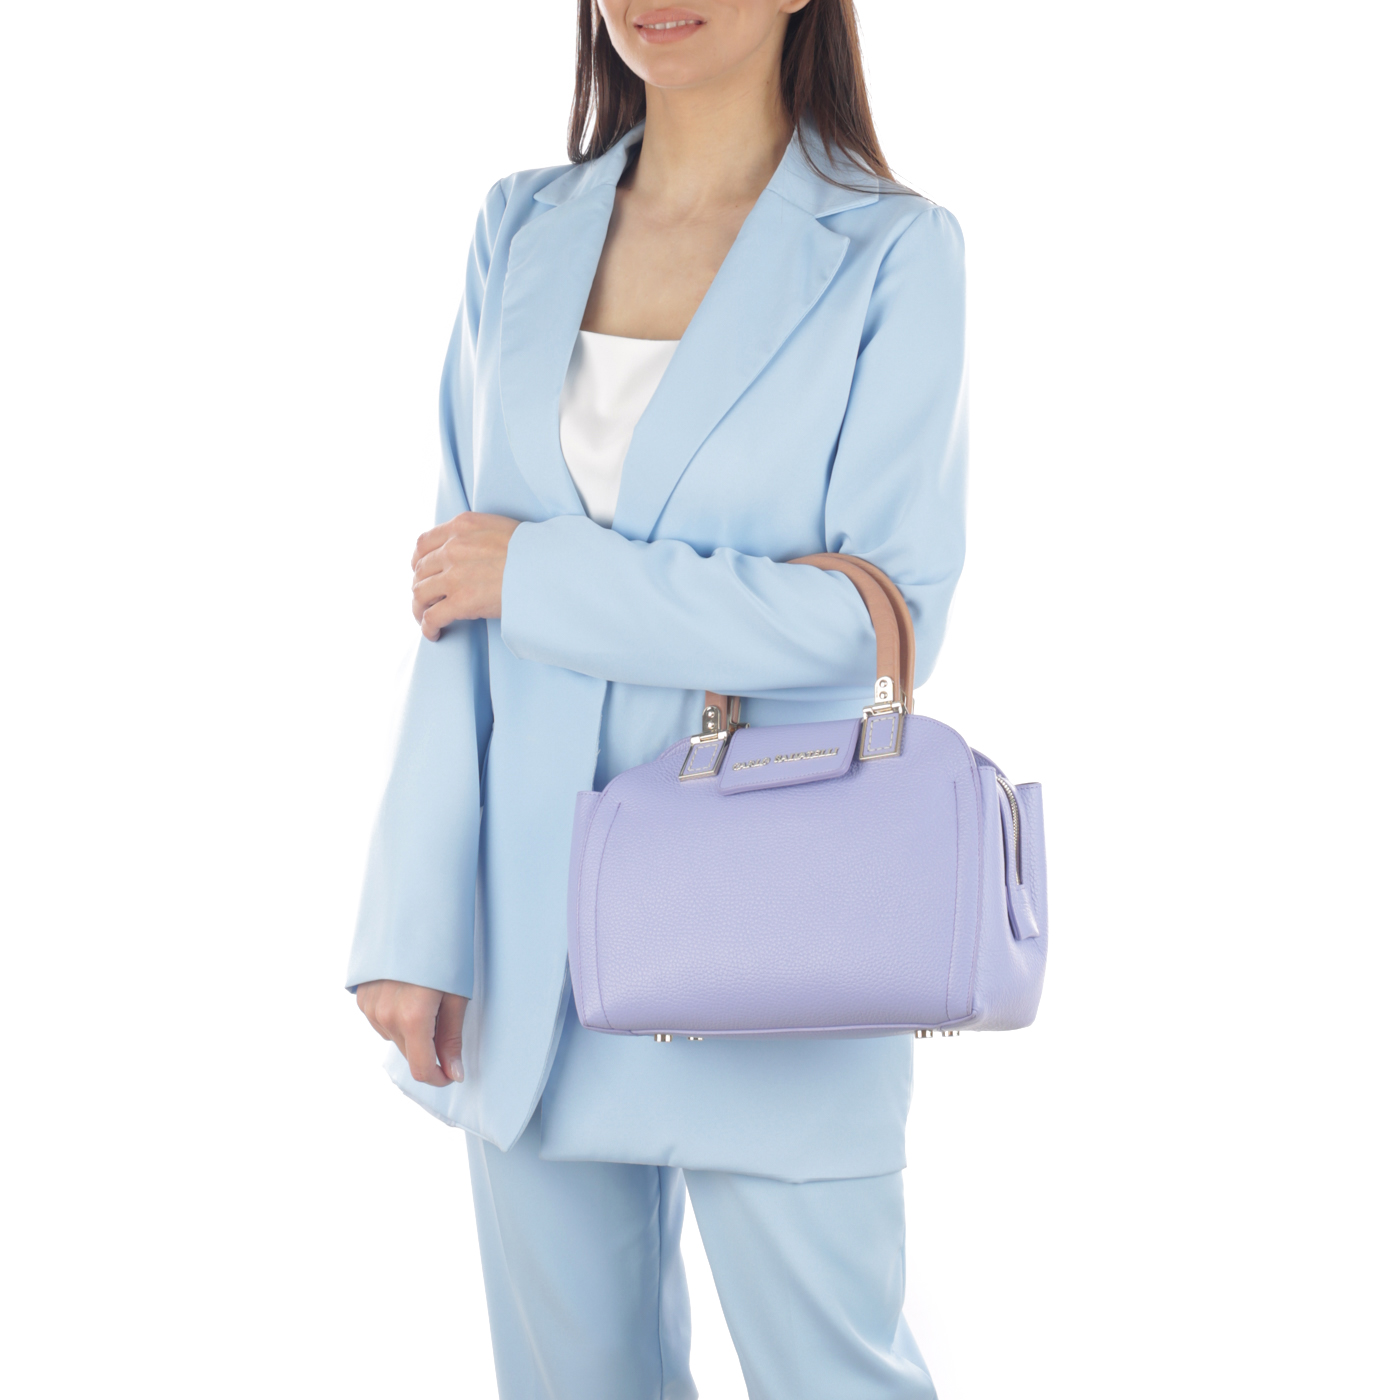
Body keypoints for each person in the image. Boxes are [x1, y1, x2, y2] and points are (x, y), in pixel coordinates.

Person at [348, 2, 966, 1396]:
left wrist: (544, 577)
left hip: (783, 931)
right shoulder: (520, 226)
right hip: (529, 947)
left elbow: (873, 619)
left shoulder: (893, 251)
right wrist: (413, 918)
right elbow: (453, 599)